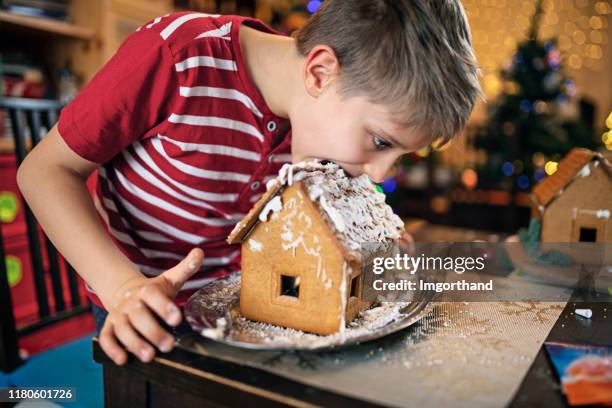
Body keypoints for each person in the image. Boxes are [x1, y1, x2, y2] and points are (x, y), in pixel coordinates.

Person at [16, 0, 481, 366]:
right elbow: (44, 171)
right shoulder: (176, 56)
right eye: (380, 141)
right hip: (143, 311)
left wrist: (366, 242)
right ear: (320, 73)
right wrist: (121, 289)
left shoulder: (316, 131)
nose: (381, 174)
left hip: (256, 315)